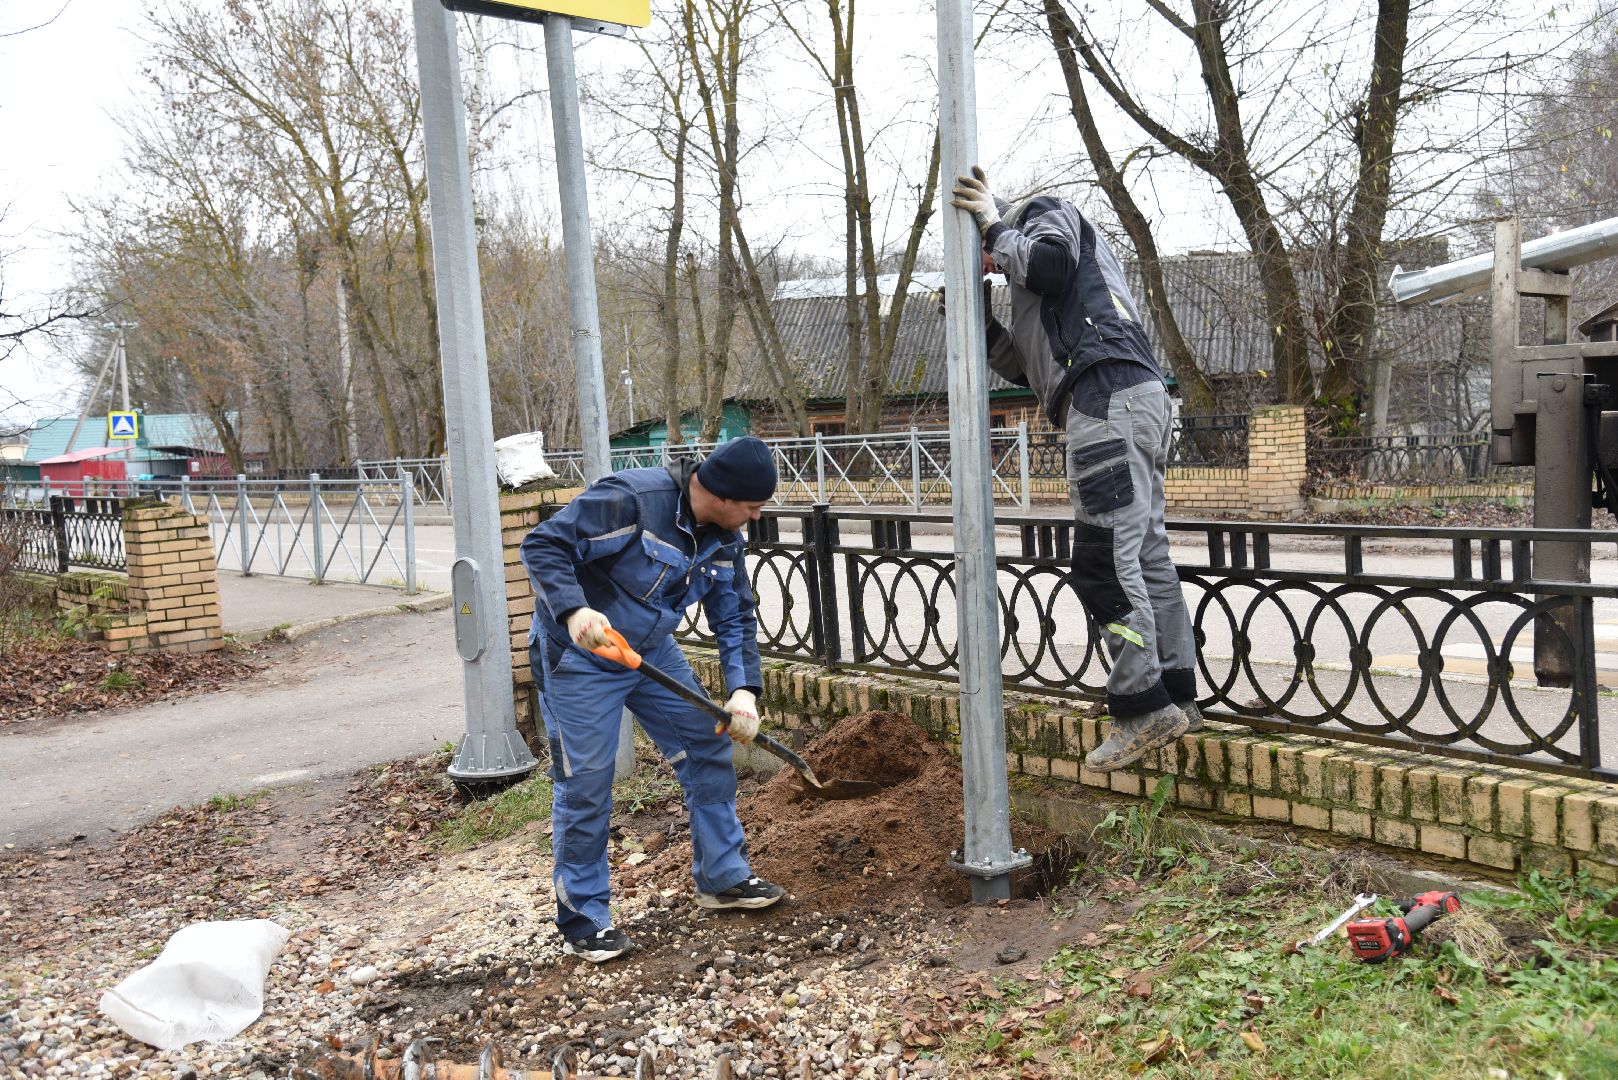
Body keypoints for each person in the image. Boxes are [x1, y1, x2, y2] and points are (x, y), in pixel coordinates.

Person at [949, 166, 1202, 771]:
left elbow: (1050, 265)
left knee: (1102, 561)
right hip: (1130, 396)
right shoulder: (1050, 298)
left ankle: (1142, 707)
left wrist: (995, 226)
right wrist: (975, 316)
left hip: (1106, 396)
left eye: (979, 256)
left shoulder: (1041, 215)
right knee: (1145, 555)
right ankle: (1175, 696)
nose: (990, 267)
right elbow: (1028, 368)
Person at [520, 436, 786, 963]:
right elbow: (543, 545)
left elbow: (735, 615)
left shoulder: (724, 538)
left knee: (707, 745)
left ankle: (722, 878)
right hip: (581, 656)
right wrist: (573, 610)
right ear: (722, 495)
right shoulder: (632, 500)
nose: (756, 518)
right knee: (586, 782)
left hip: (649, 650)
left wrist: (743, 691)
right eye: (753, 507)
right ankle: (585, 918)